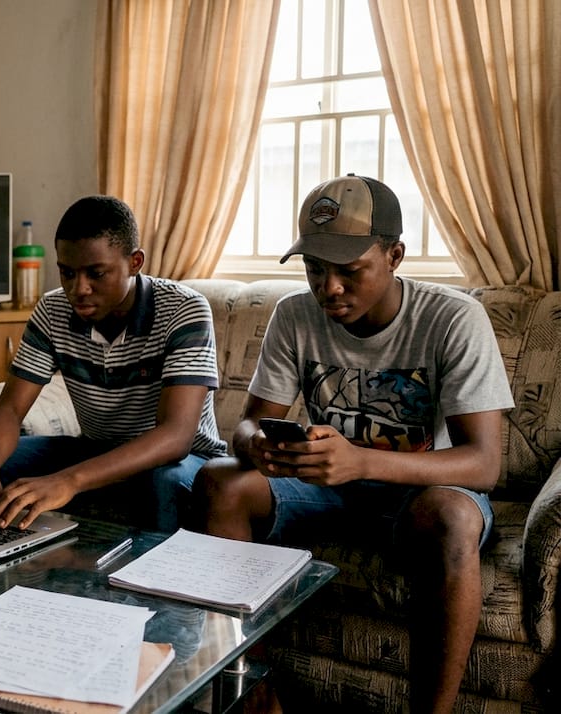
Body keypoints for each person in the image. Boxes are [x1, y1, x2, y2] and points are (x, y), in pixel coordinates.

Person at [192, 175, 512, 714]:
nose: (329, 288)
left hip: (418, 495)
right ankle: (256, 694)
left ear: (394, 255)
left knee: (454, 517)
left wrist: (360, 459)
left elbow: (483, 465)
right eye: (315, 269)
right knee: (221, 480)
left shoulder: (453, 319)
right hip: (328, 491)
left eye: (349, 270)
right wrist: (261, 449)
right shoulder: (295, 315)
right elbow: (246, 428)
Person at [0, 195, 227, 531]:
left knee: (163, 481)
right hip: (96, 451)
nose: (79, 289)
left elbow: (175, 436)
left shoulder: (184, 310)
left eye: (96, 273)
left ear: (135, 262)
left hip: (183, 460)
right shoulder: (52, 311)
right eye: (67, 273)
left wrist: (69, 481)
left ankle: (146, 581)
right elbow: (9, 410)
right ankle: (15, 568)